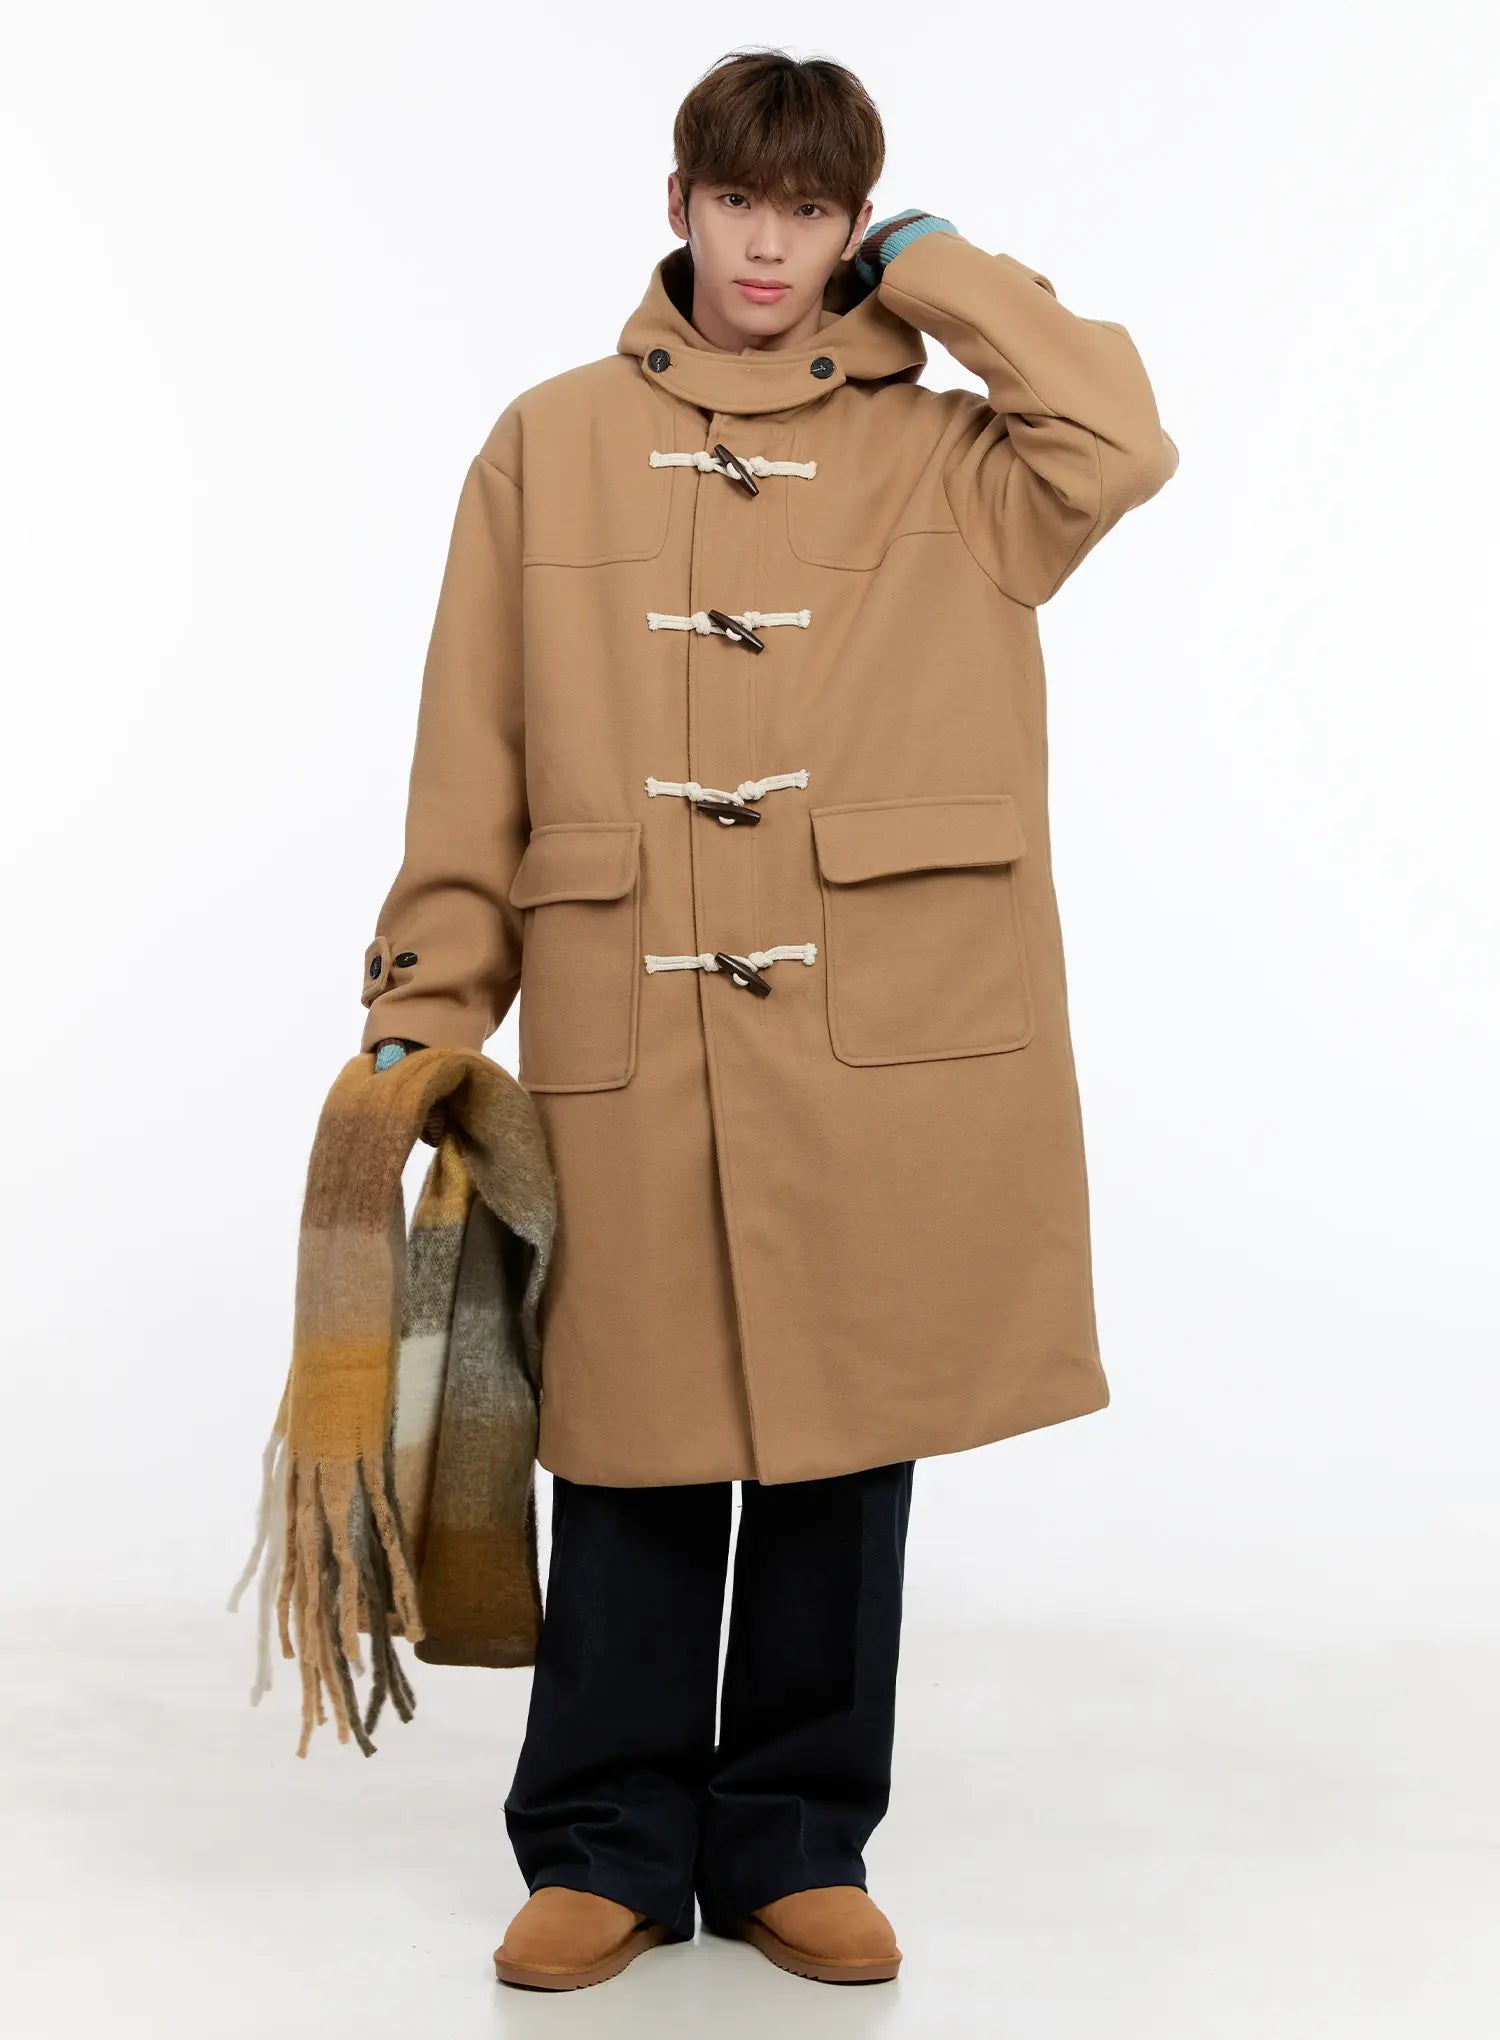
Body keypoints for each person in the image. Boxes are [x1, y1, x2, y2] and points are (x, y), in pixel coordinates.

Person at [360, 47, 1177, 1991]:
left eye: (813, 213)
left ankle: (801, 1840)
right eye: (740, 201)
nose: (767, 245)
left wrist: (940, 266)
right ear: (680, 204)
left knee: (841, 1442)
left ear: (852, 230)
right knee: (625, 1440)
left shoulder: (961, 461)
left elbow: (1122, 438)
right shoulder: (546, 443)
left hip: (879, 1033)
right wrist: (425, 1006)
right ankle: (606, 1847)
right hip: (630, 1020)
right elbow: (472, 752)